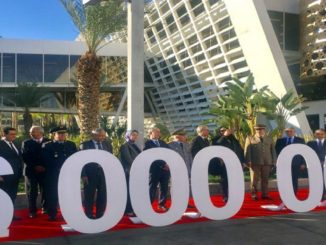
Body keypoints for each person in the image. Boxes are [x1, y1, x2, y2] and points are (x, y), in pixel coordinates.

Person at [41, 126, 77, 221]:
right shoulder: (48, 145)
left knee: (68, 194)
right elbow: (46, 160)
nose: (62, 135)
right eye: (60, 134)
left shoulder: (71, 144)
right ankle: (52, 214)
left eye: (64, 133)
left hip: (68, 174)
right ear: (54, 135)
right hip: (53, 174)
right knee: (52, 194)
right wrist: (60, 167)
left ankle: (68, 212)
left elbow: (75, 158)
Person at [80, 128, 113, 219]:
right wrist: (83, 175)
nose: (102, 137)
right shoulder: (85, 145)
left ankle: (100, 214)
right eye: (100, 135)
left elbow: (110, 159)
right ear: (93, 135)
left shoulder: (107, 144)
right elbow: (81, 161)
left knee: (103, 195)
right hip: (90, 174)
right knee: (89, 195)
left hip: (103, 173)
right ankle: (89, 214)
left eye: (103, 135)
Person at [21, 126, 50, 218]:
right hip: (31, 171)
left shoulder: (48, 141)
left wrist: (45, 167)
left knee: (45, 190)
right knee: (31, 192)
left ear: (41, 132)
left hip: (45, 171)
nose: (31, 133)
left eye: (33, 132)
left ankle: (45, 208)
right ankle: (32, 211)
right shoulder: (26, 142)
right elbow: (25, 156)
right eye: (30, 132)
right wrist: (35, 166)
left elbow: (51, 155)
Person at [212, 127, 245, 202]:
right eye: (222, 131)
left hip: (235, 163)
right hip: (224, 164)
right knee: (225, 181)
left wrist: (242, 161)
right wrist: (224, 136)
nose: (224, 132)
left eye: (225, 130)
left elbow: (240, 150)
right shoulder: (216, 139)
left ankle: (234, 196)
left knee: (234, 181)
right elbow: (217, 145)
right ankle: (225, 196)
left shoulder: (233, 139)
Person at [244, 124, 276, 200]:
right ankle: (254, 194)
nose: (260, 131)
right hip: (255, 162)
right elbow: (247, 151)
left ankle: (265, 194)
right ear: (255, 130)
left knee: (265, 179)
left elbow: (273, 151)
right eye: (258, 130)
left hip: (267, 162)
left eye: (261, 129)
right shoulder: (250, 138)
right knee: (254, 180)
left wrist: (274, 160)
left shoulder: (269, 139)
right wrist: (248, 160)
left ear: (264, 130)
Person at [143, 127, 170, 211]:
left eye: (159, 132)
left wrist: (169, 163)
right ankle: (148, 206)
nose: (159, 133)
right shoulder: (147, 144)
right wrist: (163, 164)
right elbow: (151, 156)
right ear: (150, 133)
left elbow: (169, 153)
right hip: (154, 170)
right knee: (152, 187)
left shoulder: (163, 142)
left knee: (164, 187)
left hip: (165, 170)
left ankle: (162, 204)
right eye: (156, 132)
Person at [0, 127, 23, 221]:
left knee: (12, 195)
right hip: (4, 176)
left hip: (15, 176)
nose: (14, 136)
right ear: (5, 134)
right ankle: (2, 216)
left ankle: (10, 214)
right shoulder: (0, 144)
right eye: (11, 134)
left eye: (15, 134)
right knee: (3, 197)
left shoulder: (16, 144)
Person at [275, 127, 306, 194]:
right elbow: (277, 152)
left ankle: (294, 192)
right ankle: (286, 193)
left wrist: (303, 163)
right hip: (284, 163)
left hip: (296, 163)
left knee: (294, 178)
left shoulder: (300, 140)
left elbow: (304, 152)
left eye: (290, 131)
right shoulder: (280, 141)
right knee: (285, 178)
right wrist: (277, 162)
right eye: (287, 131)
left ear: (294, 132)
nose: (289, 133)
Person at [119, 129, 141, 216]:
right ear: (128, 135)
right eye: (133, 135)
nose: (135, 136)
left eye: (136, 135)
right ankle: (127, 210)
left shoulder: (135, 145)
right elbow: (129, 160)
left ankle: (133, 208)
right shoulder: (125, 146)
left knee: (134, 192)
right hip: (129, 172)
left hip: (136, 172)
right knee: (128, 192)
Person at [307, 129, 326, 200]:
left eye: (322, 134)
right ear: (315, 134)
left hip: (325, 165)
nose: (320, 135)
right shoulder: (310, 143)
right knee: (316, 181)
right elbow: (308, 154)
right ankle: (319, 196)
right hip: (314, 166)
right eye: (318, 134)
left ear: (325, 134)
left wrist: (324, 161)